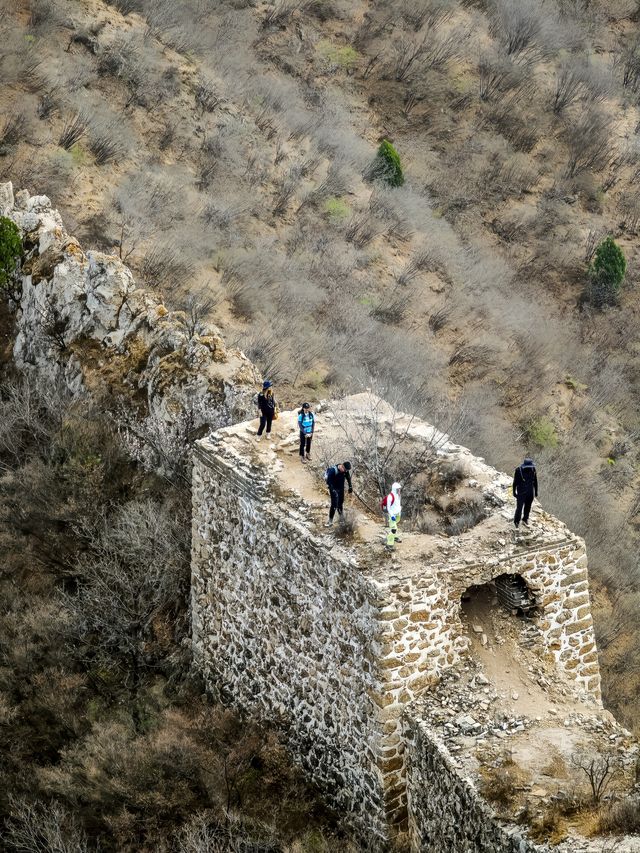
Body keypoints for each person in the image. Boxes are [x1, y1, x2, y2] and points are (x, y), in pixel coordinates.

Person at [324, 462, 352, 526]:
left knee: (340, 504)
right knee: (334, 505)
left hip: (341, 488)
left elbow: (348, 477)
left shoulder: (345, 470)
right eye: (345, 470)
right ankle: (330, 521)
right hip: (333, 488)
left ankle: (341, 520)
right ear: (342, 466)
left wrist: (350, 486)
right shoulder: (333, 471)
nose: (345, 471)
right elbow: (328, 482)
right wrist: (333, 491)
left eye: (347, 470)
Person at [512, 457, 538, 529]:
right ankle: (516, 521)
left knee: (528, 507)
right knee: (519, 508)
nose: (529, 468)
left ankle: (525, 519)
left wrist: (536, 491)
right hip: (521, 492)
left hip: (530, 492)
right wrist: (514, 492)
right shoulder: (518, 470)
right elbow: (515, 482)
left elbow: (535, 481)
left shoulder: (533, 470)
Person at [382, 482, 402, 550]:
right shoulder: (390, 497)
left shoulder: (398, 495)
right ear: (395, 489)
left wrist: (399, 511)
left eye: (399, 489)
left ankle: (395, 537)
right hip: (392, 515)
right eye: (398, 489)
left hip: (398, 514)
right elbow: (388, 508)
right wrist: (392, 515)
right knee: (393, 529)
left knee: (395, 525)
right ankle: (389, 543)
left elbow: (398, 504)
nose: (399, 490)